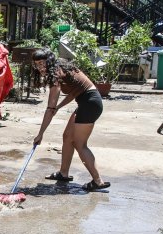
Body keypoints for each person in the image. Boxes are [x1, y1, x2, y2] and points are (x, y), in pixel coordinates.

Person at [30, 48, 110, 191]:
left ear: (49, 61)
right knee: (67, 137)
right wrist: (58, 107)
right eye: (37, 64)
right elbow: (74, 92)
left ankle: (98, 181)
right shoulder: (61, 68)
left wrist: (40, 133)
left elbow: (50, 107)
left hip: (89, 104)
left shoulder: (56, 74)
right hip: (87, 102)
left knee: (80, 144)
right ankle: (63, 173)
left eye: (42, 63)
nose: (40, 67)